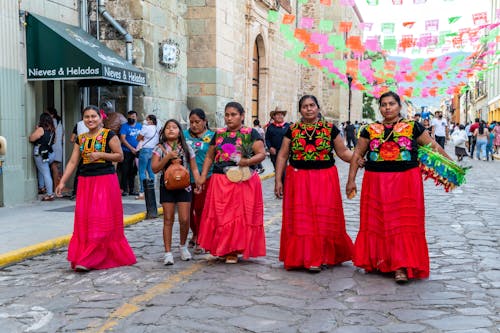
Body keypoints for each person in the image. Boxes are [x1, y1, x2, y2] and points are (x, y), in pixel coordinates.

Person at [346, 91, 453, 284]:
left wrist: (451, 165)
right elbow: (357, 154)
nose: (387, 108)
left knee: (403, 223)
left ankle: (401, 266)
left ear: (399, 106)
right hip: (375, 181)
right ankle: (379, 260)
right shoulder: (368, 129)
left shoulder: (413, 127)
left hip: (405, 181)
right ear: (380, 107)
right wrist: (351, 180)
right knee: (378, 221)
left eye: (391, 104)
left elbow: (433, 146)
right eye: (384, 104)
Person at [274, 95, 354, 273]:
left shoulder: (329, 129)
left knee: (322, 217)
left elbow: (343, 152)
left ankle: (323, 256)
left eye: (312, 105)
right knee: (302, 219)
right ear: (300, 110)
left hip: (325, 179)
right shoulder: (292, 130)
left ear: (318, 108)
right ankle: (304, 256)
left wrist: (361, 159)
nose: (308, 109)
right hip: (298, 179)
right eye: (304, 106)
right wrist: (278, 179)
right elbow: (282, 155)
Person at [55, 105, 136, 272]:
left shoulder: (109, 135)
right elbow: (72, 162)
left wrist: (101, 155)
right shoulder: (81, 138)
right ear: (83, 119)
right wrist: (62, 182)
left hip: (105, 181)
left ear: (101, 118)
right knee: (85, 220)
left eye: (94, 116)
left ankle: (91, 258)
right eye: (87, 117)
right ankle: (86, 255)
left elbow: (120, 156)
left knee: (100, 218)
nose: (90, 120)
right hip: (85, 181)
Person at [197, 102, 266, 264]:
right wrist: (202, 177)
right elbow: (209, 156)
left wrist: (245, 161)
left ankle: (233, 251)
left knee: (237, 216)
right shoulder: (219, 134)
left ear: (242, 116)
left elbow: (261, 154)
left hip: (243, 180)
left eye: (233, 114)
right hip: (220, 180)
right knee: (221, 216)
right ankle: (223, 247)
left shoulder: (251, 133)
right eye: (227, 115)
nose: (229, 118)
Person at [152, 119, 201, 266]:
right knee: (168, 219)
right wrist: (166, 157)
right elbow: (154, 168)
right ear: (163, 132)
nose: (171, 130)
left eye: (174, 127)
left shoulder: (187, 148)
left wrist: (198, 182)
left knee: (185, 219)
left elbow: (193, 168)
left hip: (184, 186)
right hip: (166, 186)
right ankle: (168, 252)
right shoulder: (159, 148)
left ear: (180, 131)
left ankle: (182, 246)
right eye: (168, 128)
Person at [183, 109, 215, 253]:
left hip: (206, 177)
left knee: (201, 209)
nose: (194, 125)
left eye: (197, 122)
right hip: (185, 179)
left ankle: (201, 237)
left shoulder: (212, 136)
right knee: (187, 211)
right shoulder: (183, 136)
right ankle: (194, 232)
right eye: (191, 122)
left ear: (204, 121)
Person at [29, 113, 56, 201]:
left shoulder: (41, 129)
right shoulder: (52, 130)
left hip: (41, 152)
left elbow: (31, 138)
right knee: (42, 170)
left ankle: (49, 194)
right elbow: (54, 141)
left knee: (45, 173)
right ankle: (42, 187)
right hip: (50, 153)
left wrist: (36, 130)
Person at [135, 114, 159, 200]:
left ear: (151, 121)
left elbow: (138, 138)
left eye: (147, 119)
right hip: (153, 150)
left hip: (145, 150)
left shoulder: (146, 127)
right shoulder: (157, 128)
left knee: (142, 171)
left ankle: (142, 192)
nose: (146, 121)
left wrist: (141, 138)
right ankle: (151, 190)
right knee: (150, 170)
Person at [119, 110, 142, 196]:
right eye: (129, 117)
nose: (131, 118)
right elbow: (123, 139)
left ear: (136, 117)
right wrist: (131, 148)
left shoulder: (140, 126)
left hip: (137, 151)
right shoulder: (124, 126)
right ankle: (124, 190)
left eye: (133, 117)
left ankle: (132, 190)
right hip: (126, 151)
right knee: (125, 170)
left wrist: (139, 148)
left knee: (133, 171)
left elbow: (143, 137)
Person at [46, 107, 64, 192]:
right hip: (59, 146)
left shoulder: (52, 122)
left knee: (54, 167)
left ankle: (55, 187)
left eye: (47, 113)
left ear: (52, 114)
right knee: (55, 166)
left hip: (53, 147)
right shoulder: (60, 123)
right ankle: (56, 186)